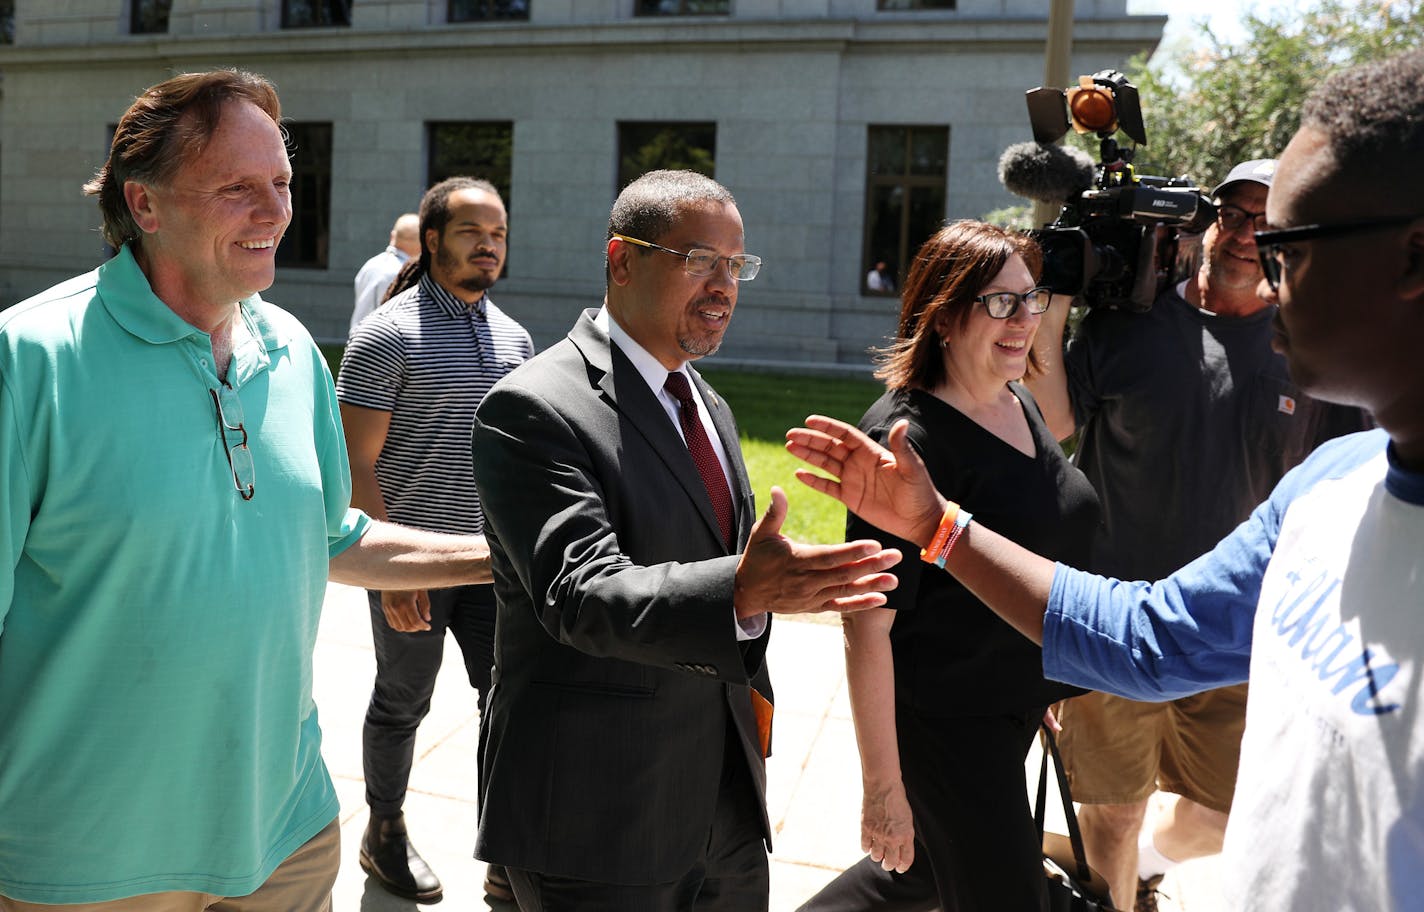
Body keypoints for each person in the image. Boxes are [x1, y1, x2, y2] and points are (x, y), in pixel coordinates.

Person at [785, 49, 1424, 912]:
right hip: (962, 718)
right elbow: (1144, 640)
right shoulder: (1323, 494)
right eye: (1250, 236)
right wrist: (936, 527)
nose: (1262, 270)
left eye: (1289, 246)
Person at [0, 70, 495, 910]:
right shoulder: (28, 361)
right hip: (86, 858)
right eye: (238, 188)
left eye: (282, 183)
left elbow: (332, 536)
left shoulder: (295, 349)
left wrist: (510, 556)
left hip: (285, 837)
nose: (276, 212)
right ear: (145, 205)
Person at [469, 169, 902, 912]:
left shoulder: (709, 403)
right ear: (622, 260)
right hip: (597, 818)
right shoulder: (533, 406)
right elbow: (580, 594)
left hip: (725, 807)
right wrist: (743, 586)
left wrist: (755, 600)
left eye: (736, 266)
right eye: (699, 259)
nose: (724, 285)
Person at [1024, 158, 1370, 910]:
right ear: (1209, 220)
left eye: (1268, 222)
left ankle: (1147, 863)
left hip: (1239, 628)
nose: (1248, 234)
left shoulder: (1306, 343)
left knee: (1225, 815)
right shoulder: (1132, 324)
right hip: (1116, 613)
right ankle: (1118, 883)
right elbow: (1051, 422)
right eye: (1236, 213)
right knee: (1110, 815)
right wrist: (1051, 302)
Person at [797, 222, 1099, 912]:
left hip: (1007, 706)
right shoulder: (906, 440)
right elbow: (865, 626)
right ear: (944, 314)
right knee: (999, 890)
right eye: (1001, 303)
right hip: (946, 725)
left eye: (1033, 299)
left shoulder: (1014, 398)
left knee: (925, 869)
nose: (1026, 319)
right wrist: (883, 791)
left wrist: (1039, 677)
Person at [336, 177, 532, 903]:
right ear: (432, 240)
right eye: (472, 231)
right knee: (401, 702)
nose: (489, 245)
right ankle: (382, 831)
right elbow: (355, 464)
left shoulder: (516, 337)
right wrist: (391, 571)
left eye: (499, 233)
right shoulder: (386, 336)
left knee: (509, 700)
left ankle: (506, 854)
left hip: (490, 565)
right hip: (409, 561)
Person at [349, 212, 420, 334]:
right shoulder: (404, 274)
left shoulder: (370, 264)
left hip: (360, 340)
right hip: (380, 344)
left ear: (393, 236)